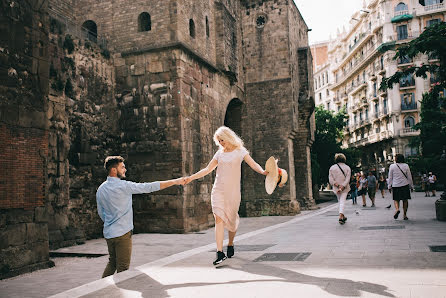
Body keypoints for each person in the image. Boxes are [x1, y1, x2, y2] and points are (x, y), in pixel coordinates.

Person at [184, 126, 268, 266]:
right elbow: (207, 169)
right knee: (218, 218)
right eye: (219, 141)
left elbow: (254, 165)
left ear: (228, 137)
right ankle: (219, 252)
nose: (221, 143)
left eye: (222, 140)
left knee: (232, 221)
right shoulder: (219, 154)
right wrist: (191, 178)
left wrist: (264, 172)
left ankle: (230, 243)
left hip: (233, 192)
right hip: (218, 190)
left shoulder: (241, 152)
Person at [96, 156, 186, 278]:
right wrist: (175, 181)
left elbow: (101, 213)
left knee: (112, 263)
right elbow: (148, 187)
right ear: (113, 170)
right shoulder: (124, 186)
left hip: (109, 233)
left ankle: (101, 290)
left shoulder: (101, 189)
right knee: (123, 268)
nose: (125, 170)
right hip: (123, 234)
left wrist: (109, 223)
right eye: (122, 167)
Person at [388, 154, 414, 220]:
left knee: (396, 199)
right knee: (405, 200)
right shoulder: (406, 166)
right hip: (405, 185)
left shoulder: (392, 166)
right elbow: (409, 177)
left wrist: (389, 186)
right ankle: (405, 215)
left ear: (396, 159)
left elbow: (390, 177)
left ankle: (397, 209)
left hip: (395, 185)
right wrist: (411, 186)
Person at [329, 153, 351, 224]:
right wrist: (342, 186)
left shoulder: (332, 168)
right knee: (342, 201)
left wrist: (337, 186)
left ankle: (343, 216)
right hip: (344, 188)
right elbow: (348, 179)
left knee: (340, 201)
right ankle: (341, 216)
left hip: (336, 187)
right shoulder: (347, 167)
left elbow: (330, 179)